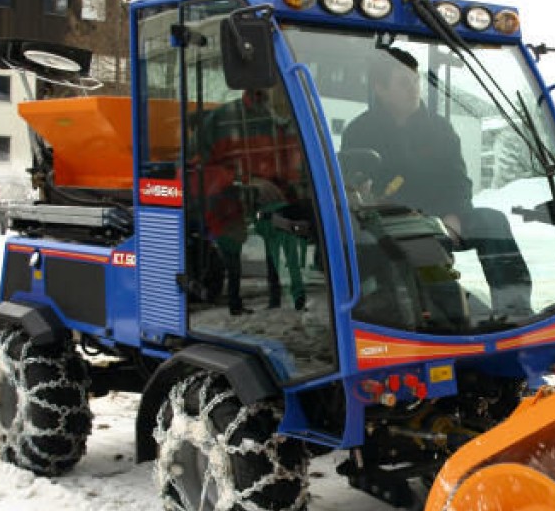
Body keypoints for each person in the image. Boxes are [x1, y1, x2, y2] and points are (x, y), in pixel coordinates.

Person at [341, 48, 532, 317]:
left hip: (440, 218)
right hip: (388, 224)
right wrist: (366, 197)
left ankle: (515, 309)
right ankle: (441, 314)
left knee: (492, 221)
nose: (413, 89)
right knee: (403, 256)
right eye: (404, 83)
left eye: (416, 81)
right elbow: (352, 186)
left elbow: (458, 181)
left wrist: (454, 215)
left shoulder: (439, 129)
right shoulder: (360, 132)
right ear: (380, 89)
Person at [201, 88, 306, 314]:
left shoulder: (300, 117)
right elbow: (198, 170)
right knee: (239, 257)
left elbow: (303, 169)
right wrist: (247, 180)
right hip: (231, 210)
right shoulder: (223, 121)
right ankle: (238, 304)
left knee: (284, 255)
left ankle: (282, 301)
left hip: (284, 209)